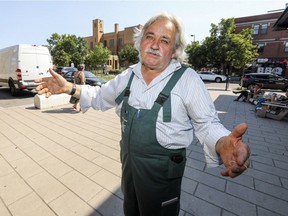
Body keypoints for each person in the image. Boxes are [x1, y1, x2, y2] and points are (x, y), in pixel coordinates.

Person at [35, 13, 250, 216]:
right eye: (150, 37)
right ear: (140, 42)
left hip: (163, 178)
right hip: (130, 171)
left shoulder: (188, 79)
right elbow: (100, 96)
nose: (155, 45)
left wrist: (222, 144)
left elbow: (206, 124)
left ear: (174, 51)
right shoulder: (128, 76)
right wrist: (69, 88)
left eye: (165, 40)